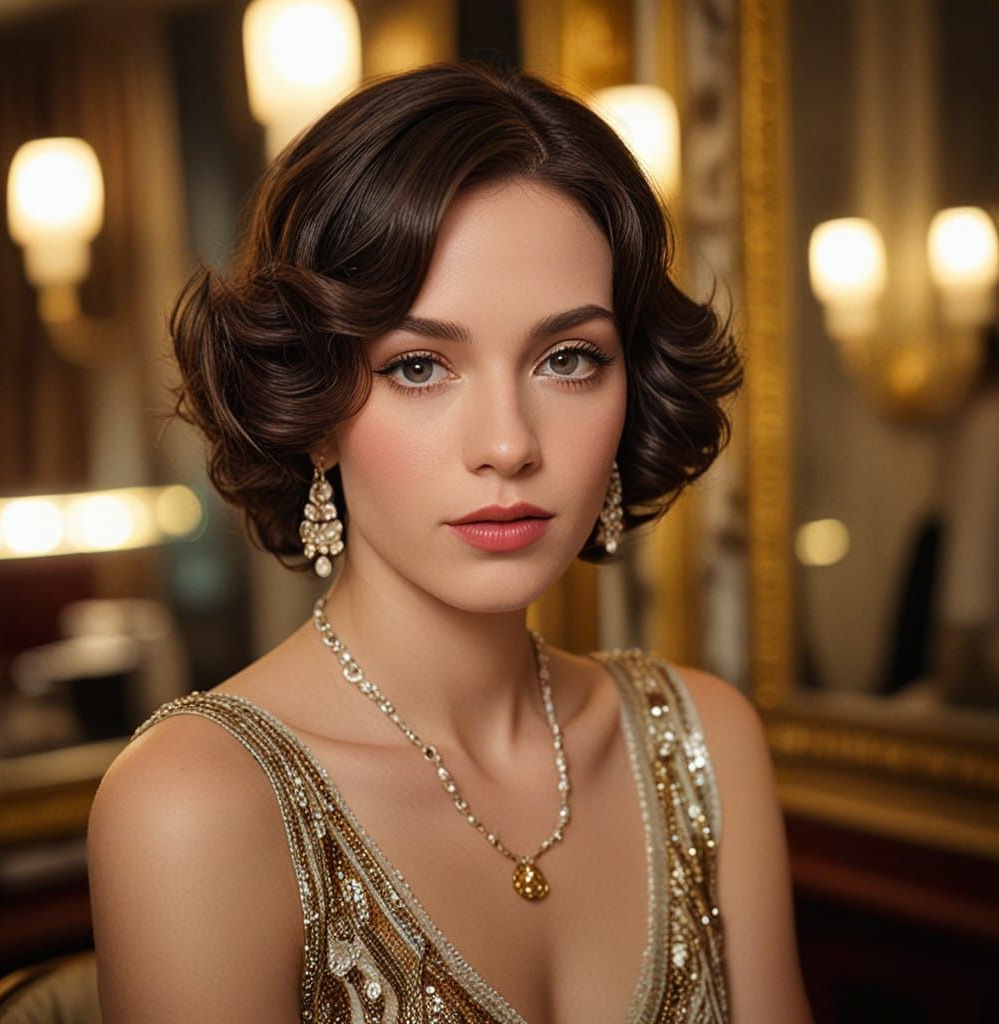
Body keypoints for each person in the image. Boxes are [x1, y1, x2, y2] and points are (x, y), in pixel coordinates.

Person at [87, 59, 813, 1024]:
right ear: (311, 403)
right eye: (421, 366)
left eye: (569, 359)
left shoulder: (705, 742)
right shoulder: (193, 807)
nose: (509, 444)